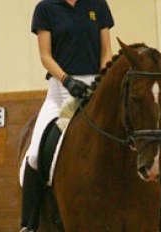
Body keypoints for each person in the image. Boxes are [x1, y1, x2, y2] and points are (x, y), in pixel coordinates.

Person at [19, 0, 114, 231]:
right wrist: (67, 80)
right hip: (61, 91)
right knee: (34, 154)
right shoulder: (46, 8)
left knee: (133, 138)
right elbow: (45, 56)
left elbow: (106, 51)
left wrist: (102, 79)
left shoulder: (97, 5)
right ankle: (29, 224)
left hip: (95, 87)